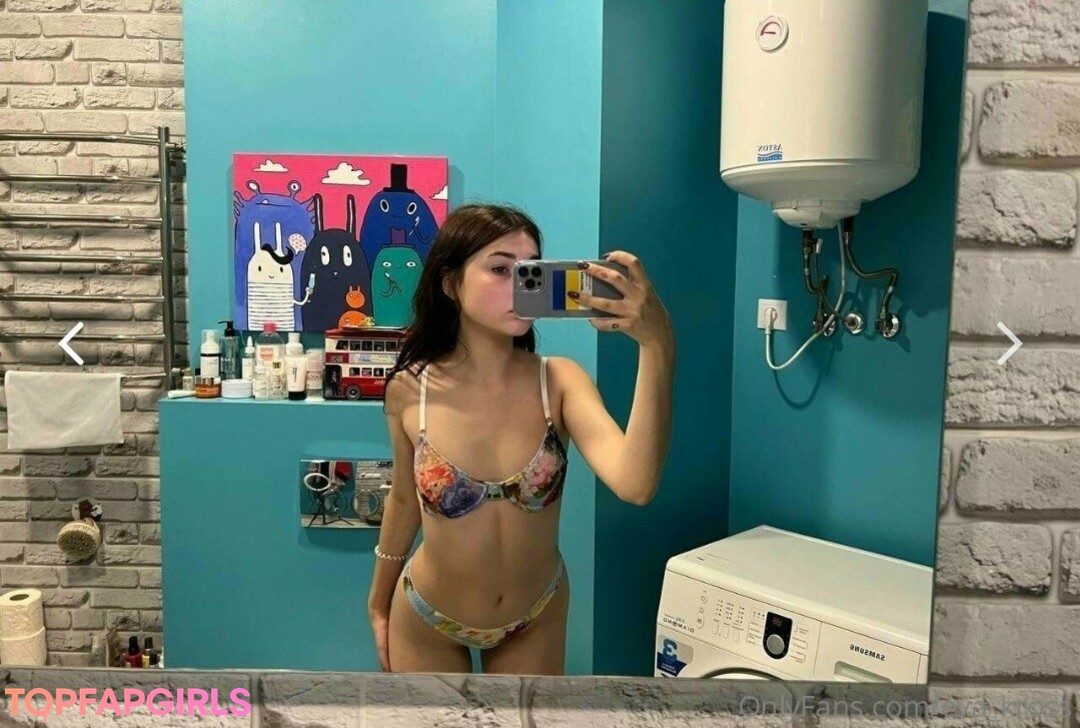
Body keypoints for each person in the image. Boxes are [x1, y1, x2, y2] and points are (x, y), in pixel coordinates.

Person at [367, 203, 675, 674]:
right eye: (499, 269)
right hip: (428, 616)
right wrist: (378, 600)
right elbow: (405, 501)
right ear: (450, 284)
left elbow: (636, 484)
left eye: (530, 269)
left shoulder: (560, 382)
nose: (521, 285)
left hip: (535, 616)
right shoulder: (411, 389)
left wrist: (657, 343)